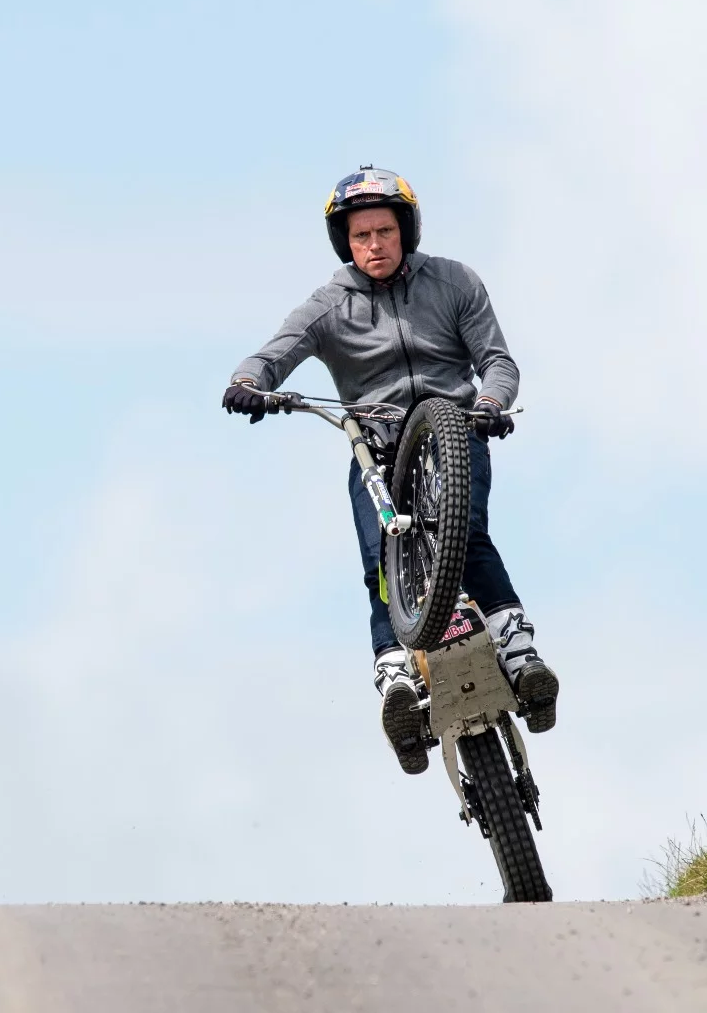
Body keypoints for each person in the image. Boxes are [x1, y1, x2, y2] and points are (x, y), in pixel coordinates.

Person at [221, 165, 559, 775]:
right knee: (384, 550)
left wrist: (489, 404)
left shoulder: (455, 282)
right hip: (373, 442)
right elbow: (272, 353)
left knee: (468, 534)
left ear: (406, 230)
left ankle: (522, 656)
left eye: (383, 231)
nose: (373, 246)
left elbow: (498, 362)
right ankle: (397, 680)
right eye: (360, 237)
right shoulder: (328, 306)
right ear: (345, 244)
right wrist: (249, 382)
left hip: (454, 428)